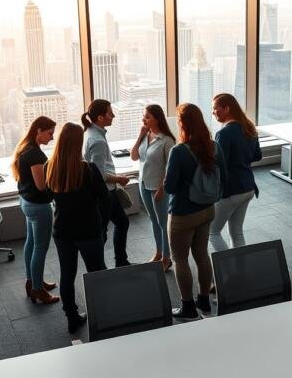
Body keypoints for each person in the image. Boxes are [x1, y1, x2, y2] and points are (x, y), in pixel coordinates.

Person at [164, 103, 227, 320]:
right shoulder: (213, 146)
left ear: (182, 124)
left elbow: (170, 187)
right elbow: (224, 178)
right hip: (208, 210)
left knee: (180, 259)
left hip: (183, 214)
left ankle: (188, 307)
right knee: (201, 254)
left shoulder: (179, 151)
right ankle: (203, 299)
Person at [46, 123, 109, 333]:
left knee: (67, 274)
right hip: (89, 230)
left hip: (63, 231)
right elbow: (105, 201)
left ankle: (71, 317)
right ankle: (102, 313)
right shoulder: (88, 169)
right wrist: (104, 228)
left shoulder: (50, 167)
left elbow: (48, 197)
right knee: (97, 272)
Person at [12, 116, 59, 305]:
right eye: (50, 133)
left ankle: (33, 281)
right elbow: (41, 186)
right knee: (40, 247)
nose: (52, 138)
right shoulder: (36, 155)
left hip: (26, 202)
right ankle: (38, 290)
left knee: (31, 243)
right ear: (38, 130)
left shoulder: (25, 148)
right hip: (39, 207)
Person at [209, 93, 263, 252]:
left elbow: (218, 164)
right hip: (248, 187)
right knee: (236, 232)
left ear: (226, 109)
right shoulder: (249, 127)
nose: (213, 112)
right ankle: (240, 269)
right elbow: (257, 156)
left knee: (213, 232)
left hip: (230, 190)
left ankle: (227, 269)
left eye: (215, 109)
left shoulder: (224, 133)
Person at [82, 99, 132, 267]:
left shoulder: (89, 132)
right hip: (104, 192)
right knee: (104, 229)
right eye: (110, 113)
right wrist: (120, 179)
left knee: (115, 224)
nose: (113, 115)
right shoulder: (98, 141)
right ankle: (104, 265)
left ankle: (116, 262)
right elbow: (100, 174)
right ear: (100, 117)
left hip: (101, 191)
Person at [130, 104, 175, 271]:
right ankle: (158, 252)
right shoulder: (145, 135)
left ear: (157, 118)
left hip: (158, 187)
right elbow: (134, 156)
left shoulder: (167, 140)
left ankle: (166, 257)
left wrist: (162, 189)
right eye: (144, 116)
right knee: (153, 220)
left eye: (147, 116)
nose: (144, 119)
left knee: (163, 222)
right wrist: (140, 135)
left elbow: (170, 168)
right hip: (143, 183)